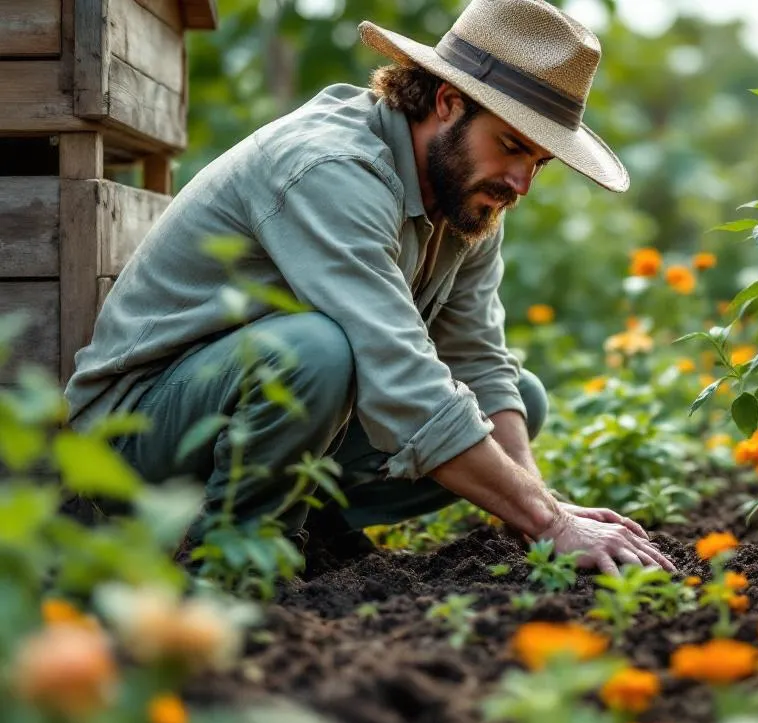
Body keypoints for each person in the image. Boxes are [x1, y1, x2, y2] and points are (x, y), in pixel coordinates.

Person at [62, 0, 674, 576]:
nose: (520, 182)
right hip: (133, 440)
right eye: (512, 146)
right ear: (448, 102)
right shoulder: (333, 168)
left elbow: (480, 362)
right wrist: (550, 522)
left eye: (538, 163)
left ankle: (309, 525)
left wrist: (541, 507)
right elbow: (399, 375)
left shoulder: (470, 200)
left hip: (252, 421)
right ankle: (231, 558)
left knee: (521, 399)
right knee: (315, 351)